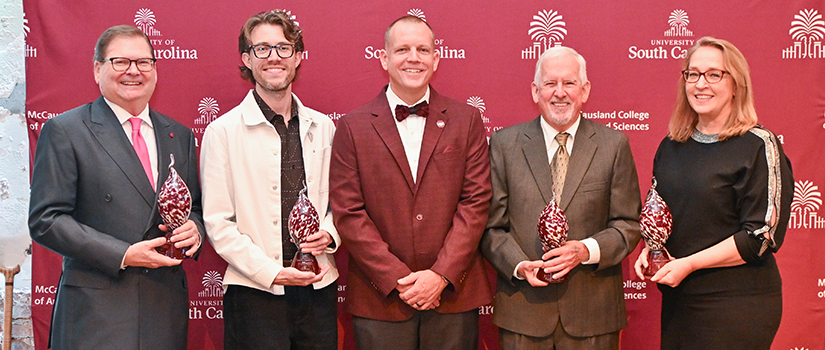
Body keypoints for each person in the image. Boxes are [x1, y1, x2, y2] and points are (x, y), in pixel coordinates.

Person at [28, 25, 204, 350]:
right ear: (97, 69)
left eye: (143, 62)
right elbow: (46, 220)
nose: (133, 71)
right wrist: (123, 254)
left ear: (155, 69)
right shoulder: (66, 130)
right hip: (97, 314)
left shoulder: (178, 135)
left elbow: (195, 207)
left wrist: (196, 229)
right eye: (120, 61)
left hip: (164, 309)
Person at [329, 15, 492, 350]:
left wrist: (440, 275)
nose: (413, 57)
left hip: (452, 296)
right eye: (402, 49)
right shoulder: (352, 126)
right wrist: (399, 280)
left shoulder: (467, 120)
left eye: (422, 49)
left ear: (436, 58)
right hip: (381, 298)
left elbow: (475, 203)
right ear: (384, 58)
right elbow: (348, 213)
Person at [634, 37, 793, 350]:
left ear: (736, 84)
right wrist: (652, 248)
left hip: (737, 304)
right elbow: (664, 214)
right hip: (681, 302)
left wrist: (689, 264)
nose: (700, 84)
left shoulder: (758, 145)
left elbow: (761, 236)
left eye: (713, 74)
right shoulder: (671, 146)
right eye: (692, 74)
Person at [480, 46, 642, 350]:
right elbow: (490, 227)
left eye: (569, 83)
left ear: (585, 90)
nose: (560, 93)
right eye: (550, 83)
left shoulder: (613, 145)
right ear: (535, 91)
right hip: (523, 313)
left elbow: (628, 225)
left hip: (593, 315)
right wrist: (519, 266)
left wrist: (585, 250)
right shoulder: (504, 144)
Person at [199, 10, 339, 349]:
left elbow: (342, 203)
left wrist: (330, 234)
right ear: (247, 58)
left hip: (317, 287)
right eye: (262, 48)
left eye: (283, 48)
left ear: (298, 56)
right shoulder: (222, 132)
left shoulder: (324, 127)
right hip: (254, 293)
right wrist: (271, 272)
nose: (273, 57)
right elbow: (218, 222)